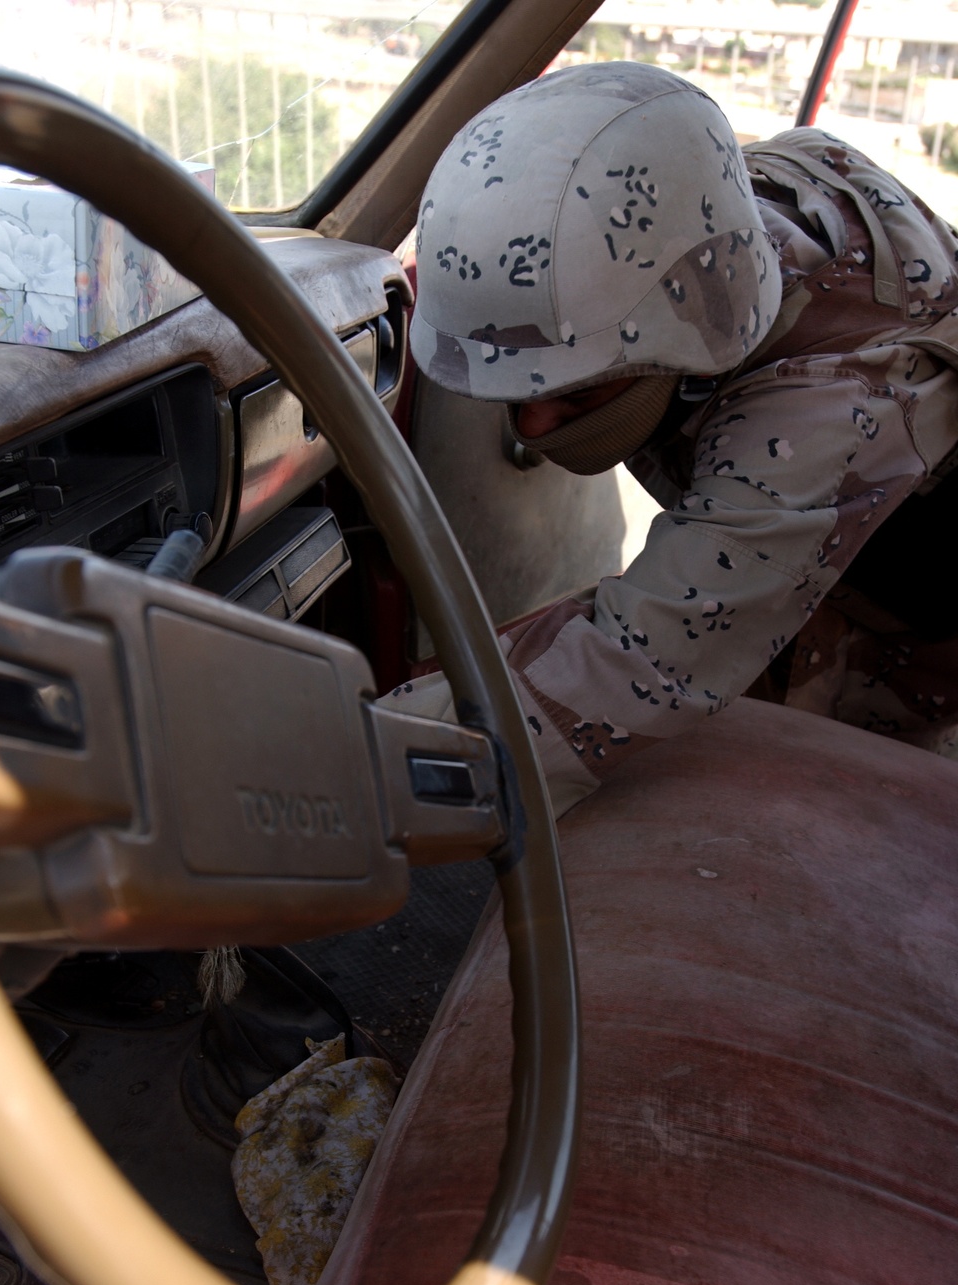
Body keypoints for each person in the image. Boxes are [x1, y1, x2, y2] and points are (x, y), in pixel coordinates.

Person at [381, 62, 958, 817]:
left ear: (693, 353)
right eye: (520, 395)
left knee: (834, 848)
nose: (532, 427)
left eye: (576, 393)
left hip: (912, 630)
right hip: (828, 566)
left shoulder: (830, 411)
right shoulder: (694, 216)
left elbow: (627, 676)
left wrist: (321, 765)